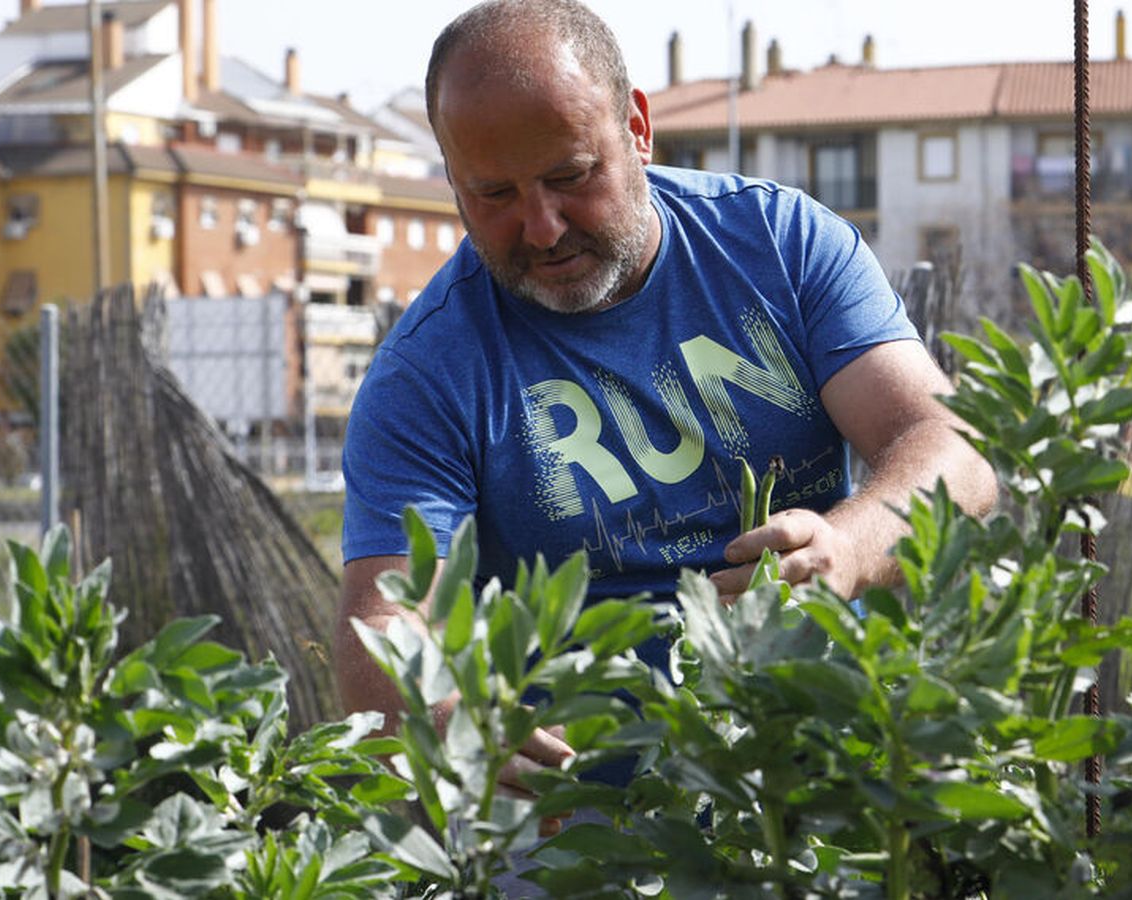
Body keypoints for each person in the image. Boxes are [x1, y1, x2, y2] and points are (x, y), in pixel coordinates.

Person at [335, 0, 996, 799]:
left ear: (637, 127)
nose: (541, 227)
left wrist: (849, 550)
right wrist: (445, 720)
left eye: (570, 177)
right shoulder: (428, 370)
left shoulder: (778, 246)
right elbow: (384, 616)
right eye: (494, 194)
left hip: (828, 758)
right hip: (585, 816)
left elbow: (954, 449)